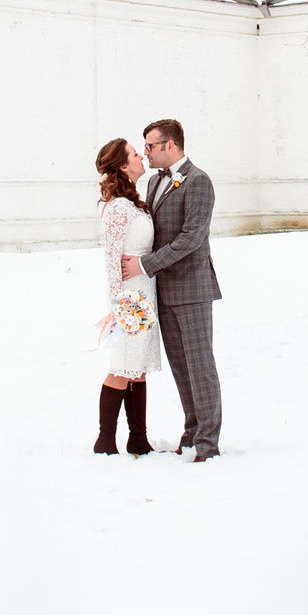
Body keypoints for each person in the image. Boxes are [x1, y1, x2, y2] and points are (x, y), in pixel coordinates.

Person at [124, 117, 222, 461]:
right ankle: (191, 434)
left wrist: (144, 265)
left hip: (192, 289)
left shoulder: (198, 181)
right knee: (181, 369)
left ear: (170, 145)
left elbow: (191, 238)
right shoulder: (154, 182)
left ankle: (208, 444)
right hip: (163, 291)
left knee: (200, 367)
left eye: (150, 146)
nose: (146, 152)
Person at [90, 137, 161, 456]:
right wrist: (120, 306)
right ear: (122, 165)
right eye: (134, 154)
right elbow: (111, 257)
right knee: (122, 366)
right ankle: (105, 441)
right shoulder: (118, 206)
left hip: (145, 292)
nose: (141, 156)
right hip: (130, 298)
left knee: (138, 366)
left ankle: (138, 439)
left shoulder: (132, 202)